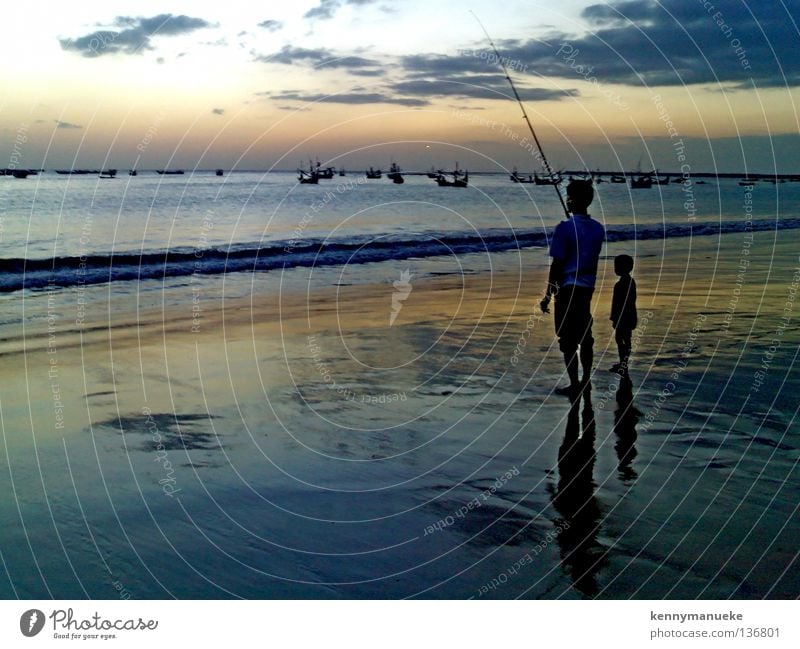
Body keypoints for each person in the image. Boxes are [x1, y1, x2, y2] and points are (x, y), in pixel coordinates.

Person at [540, 180, 605, 397]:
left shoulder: (565, 228)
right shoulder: (597, 229)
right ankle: (585, 380)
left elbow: (557, 264)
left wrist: (547, 295)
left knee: (567, 340)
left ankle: (575, 383)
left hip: (567, 289)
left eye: (569, 196)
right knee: (585, 336)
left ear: (571, 200)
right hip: (587, 288)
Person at [609, 254, 637, 376]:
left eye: (617, 266)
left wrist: (614, 317)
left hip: (623, 316)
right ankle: (623, 362)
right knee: (625, 339)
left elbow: (618, 304)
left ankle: (623, 363)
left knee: (621, 339)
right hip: (629, 315)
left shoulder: (621, 284)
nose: (615, 268)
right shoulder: (630, 282)